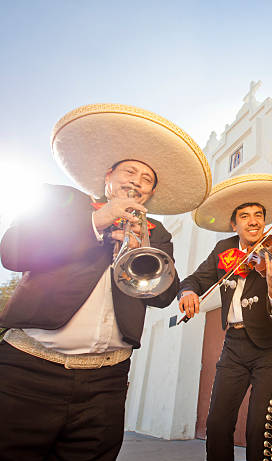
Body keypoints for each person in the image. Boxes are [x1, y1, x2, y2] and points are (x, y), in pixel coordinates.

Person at [0, 103, 211, 461]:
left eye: (147, 180)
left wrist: (139, 248)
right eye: (130, 171)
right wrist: (97, 225)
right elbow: (13, 252)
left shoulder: (156, 232)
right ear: (108, 176)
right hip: (28, 372)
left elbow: (162, 298)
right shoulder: (60, 200)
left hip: (106, 382)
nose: (137, 183)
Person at [179, 173, 272, 461]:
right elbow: (196, 278)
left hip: (269, 344)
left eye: (259, 215)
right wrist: (187, 292)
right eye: (245, 216)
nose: (254, 221)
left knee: (260, 428)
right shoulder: (224, 250)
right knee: (217, 424)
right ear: (234, 224)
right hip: (233, 343)